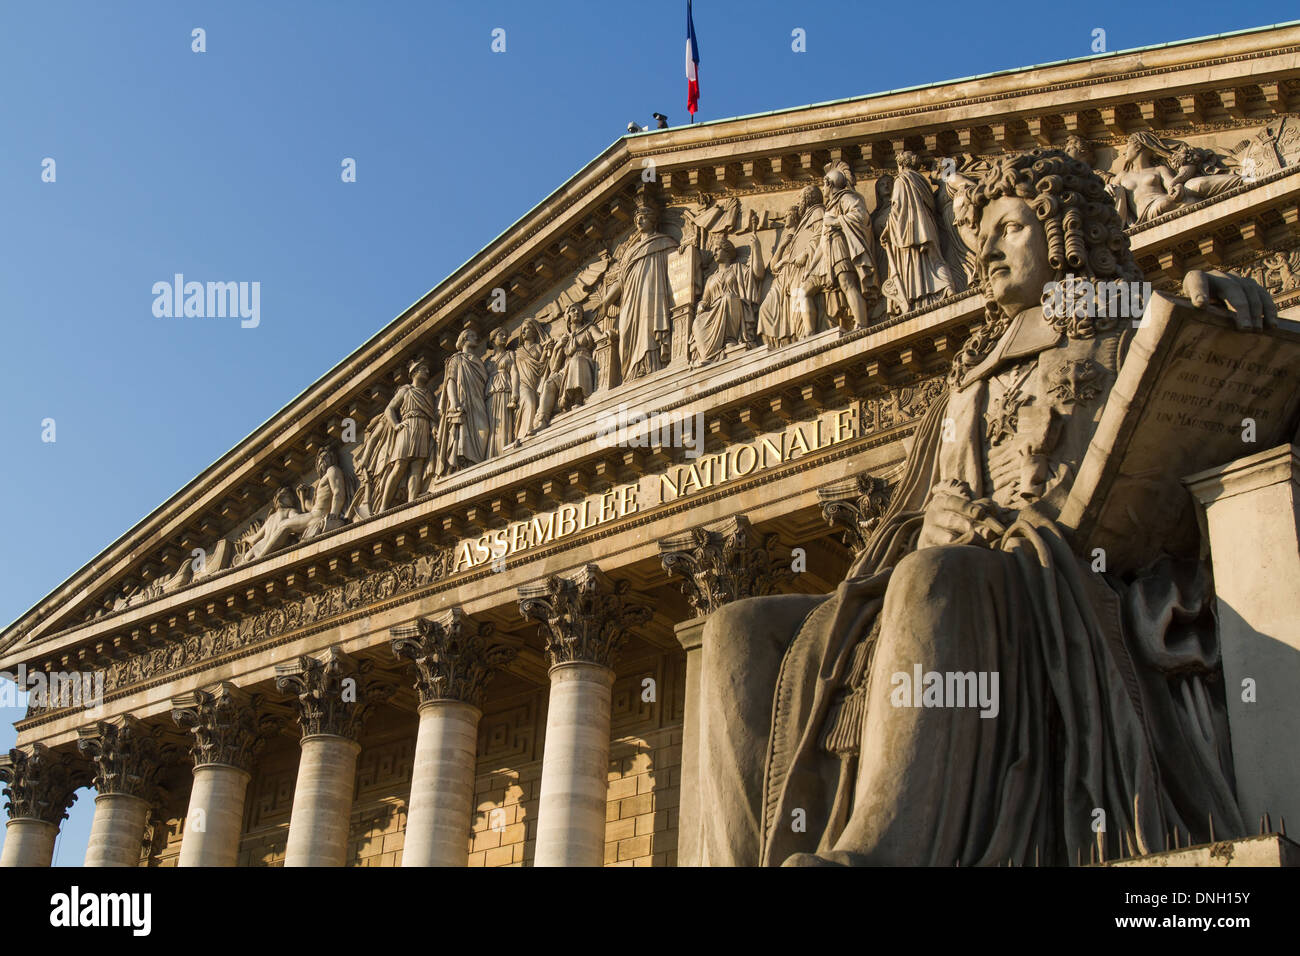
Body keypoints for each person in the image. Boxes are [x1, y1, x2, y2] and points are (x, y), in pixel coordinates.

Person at [694, 148, 1274, 867]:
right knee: (736, 630)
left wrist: (1222, 311)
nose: (989, 250)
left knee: (934, 578)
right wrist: (927, 523)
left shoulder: (1134, 335)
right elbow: (911, 520)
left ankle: (883, 850)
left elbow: (1233, 411)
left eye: (1011, 228)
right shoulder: (968, 381)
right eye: (984, 235)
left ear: (1064, 235)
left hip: (1067, 583)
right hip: (959, 581)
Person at [602, 201, 678, 381]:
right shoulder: (630, 252)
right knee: (628, 330)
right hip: (629, 298)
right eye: (637, 219)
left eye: (643, 217)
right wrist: (606, 301)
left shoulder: (665, 242)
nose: (639, 221)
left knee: (648, 327)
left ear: (653, 220)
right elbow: (622, 280)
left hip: (652, 293)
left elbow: (679, 265)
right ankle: (632, 373)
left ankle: (651, 367)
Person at [377, 357, 438, 511]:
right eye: (423, 369)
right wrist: (396, 425)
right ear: (414, 372)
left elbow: (430, 415)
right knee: (399, 465)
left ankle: (412, 501)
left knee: (417, 465)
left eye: (427, 370)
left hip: (422, 426)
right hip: (407, 426)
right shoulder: (406, 390)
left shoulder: (428, 394)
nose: (427, 372)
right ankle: (383, 506)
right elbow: (389, 409)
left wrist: (433, 427)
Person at [693, 230, 763, 363]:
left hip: (733, 307)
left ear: (727, 251)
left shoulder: (737, 269)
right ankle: (708, 355)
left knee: (728, 298)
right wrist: (701, 304)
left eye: (718, 249)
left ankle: (730, 340)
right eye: (713, 250)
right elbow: (705, 299)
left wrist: (757, 248)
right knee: (697, 322)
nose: (714, 252)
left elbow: (758, 274)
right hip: (714, 311)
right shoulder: (711, 278)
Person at [435, 327, 491, 477]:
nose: (476, 338)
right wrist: (453, 403)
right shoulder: (456, 359)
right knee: (465, 432)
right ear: (464, 339)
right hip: (463, 400)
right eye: (472, 335)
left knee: (484, 430)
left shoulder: (478, 361)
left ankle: (476, 463)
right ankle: (464, 464)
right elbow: (450, 382)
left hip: (478, 399)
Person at [485, 327, 515, 457]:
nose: (504, 337)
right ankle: (492, 455)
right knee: (492, 425)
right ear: (493, 340)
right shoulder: (487, 361)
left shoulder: (510, 354)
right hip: (491, 394)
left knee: (504, 423)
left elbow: (515, 373)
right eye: (501, 335)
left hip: (505, 391)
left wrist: (515, 394)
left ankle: (503, 452)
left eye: (505, 335)